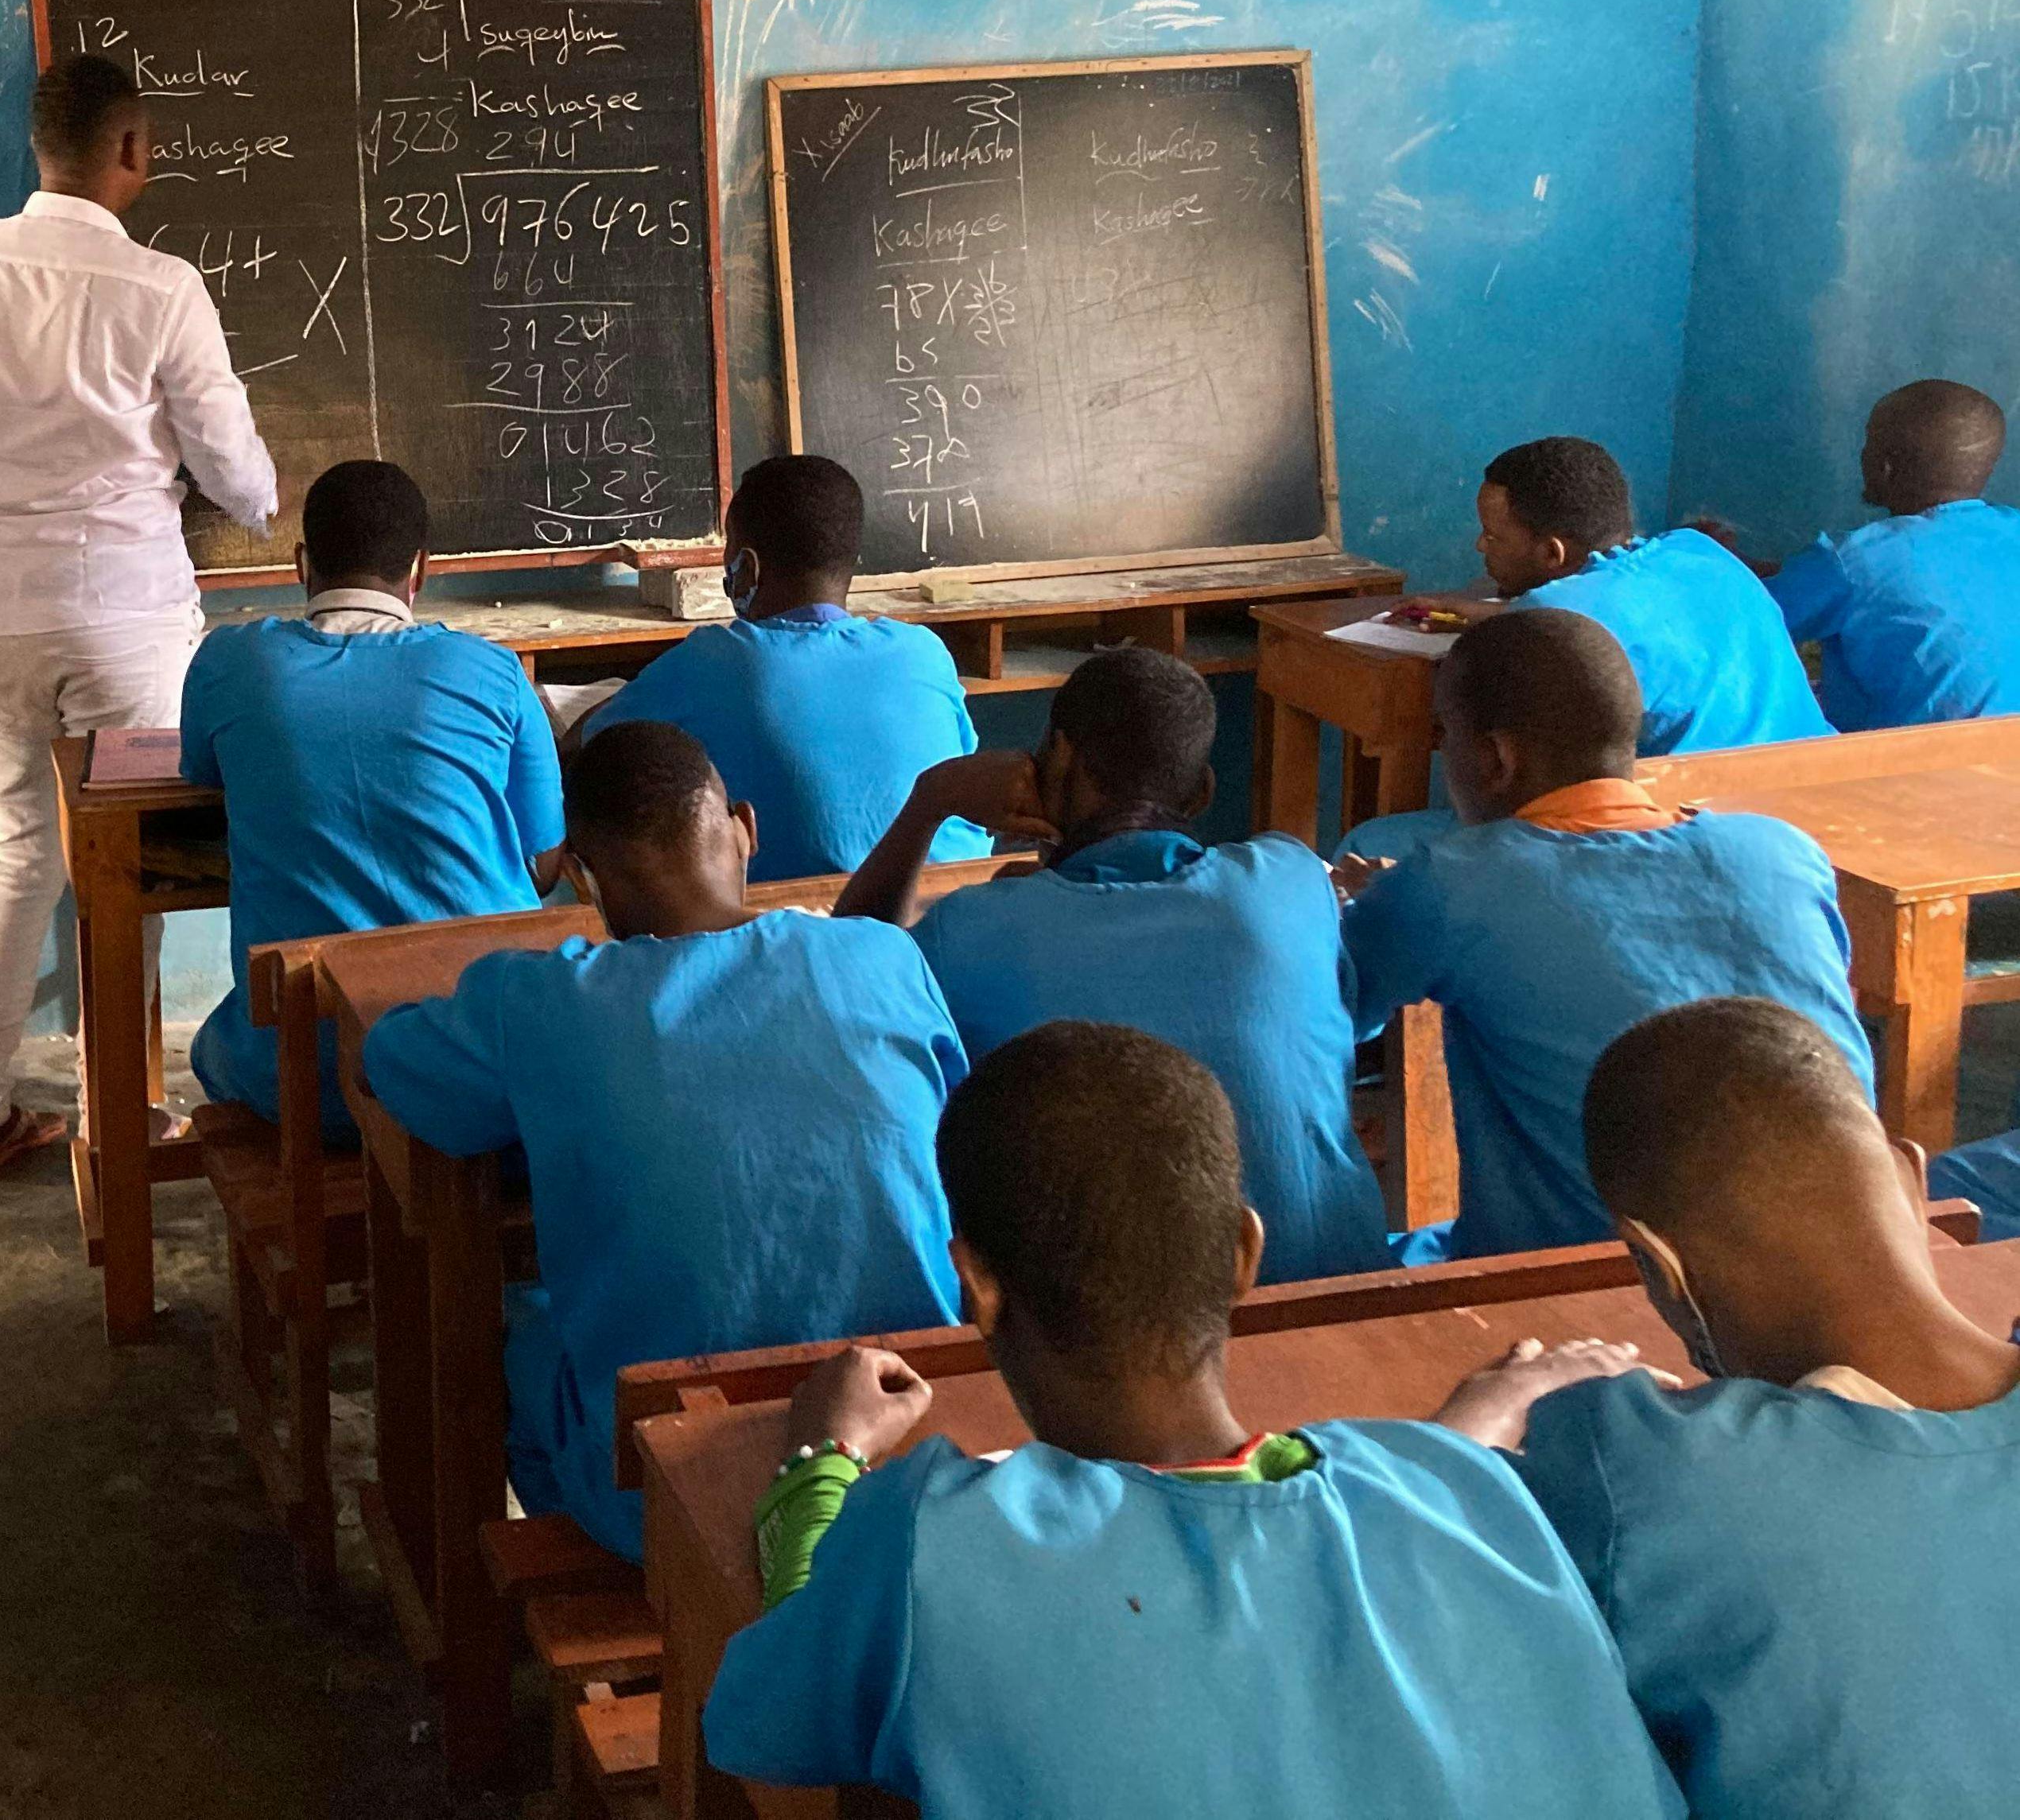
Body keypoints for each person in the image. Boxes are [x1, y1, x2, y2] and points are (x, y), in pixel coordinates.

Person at [701, 1022, 1680, 1818]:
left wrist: (823, 1459)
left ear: (977, 1284)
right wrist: (1442, 1449)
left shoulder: (933, 1538)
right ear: (1248, 1252)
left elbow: (765, 1719)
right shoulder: (1478, 1497)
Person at [359, 721, 965, 1560]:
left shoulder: (541, 1001)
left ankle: (545, 1599)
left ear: (579, 875)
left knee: (517, 1331)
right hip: (916, 1445)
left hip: (663, 1489)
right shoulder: (879, 957)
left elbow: (390, 1065)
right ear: (745, 828)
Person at [1497, 998, 2020, 1817]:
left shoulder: (1638, 1467)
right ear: (1913, 1177)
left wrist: (1460, 1441)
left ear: (1661, 1266)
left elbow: (1414, 1569)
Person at [0, 52, 278, 1186]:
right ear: (132, 148)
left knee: (23, 849)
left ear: (38, 147)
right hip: (126, 621)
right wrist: (265, 501)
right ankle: (118, 1111)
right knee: (131, 867)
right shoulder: (160, 285)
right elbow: (230, 465)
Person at [840, 647, 1386, 1281]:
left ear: (1059, 758)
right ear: (1203, 791)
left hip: (1113, 1332)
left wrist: (931, 800)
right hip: (1339, 1289)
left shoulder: (970, 932)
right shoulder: (1290, 882)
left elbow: (849, 963)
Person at [1341, 611, 1870, 1258]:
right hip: (1834, 1256)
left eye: (1444, 734)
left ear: (1495, 757)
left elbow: (1326, 1023)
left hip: (1585, 1281)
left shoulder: (1451, 883)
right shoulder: (1782, 851)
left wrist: (1380, 904)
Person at [181, 460, 561, 1132]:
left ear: (301, 563)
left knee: (212, 1046)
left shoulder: (228, 662)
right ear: (421, 570)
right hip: (481, 1065)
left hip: (303, 1081)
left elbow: (203, 776)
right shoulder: (494, 670)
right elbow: (546, 861)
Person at [592, 456, 985, 882]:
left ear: (747, 568)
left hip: (802, 921)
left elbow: (595, 742)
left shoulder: (714, 659)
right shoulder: (925, 651)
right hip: (950, 899)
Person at [1478, 434, 1828, 753]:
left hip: (1704, 809)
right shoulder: (1697, 549)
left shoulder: (1550, 616)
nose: (1480, 545)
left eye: (1492, 536)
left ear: (1553, 553)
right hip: (1826, 775)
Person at [1765, 379, 2018, 730]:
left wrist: (1701, 556)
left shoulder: (1855, 560)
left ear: (1884, 465)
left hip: (1917, 774)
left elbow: (1748, 612)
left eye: (1868, 442)